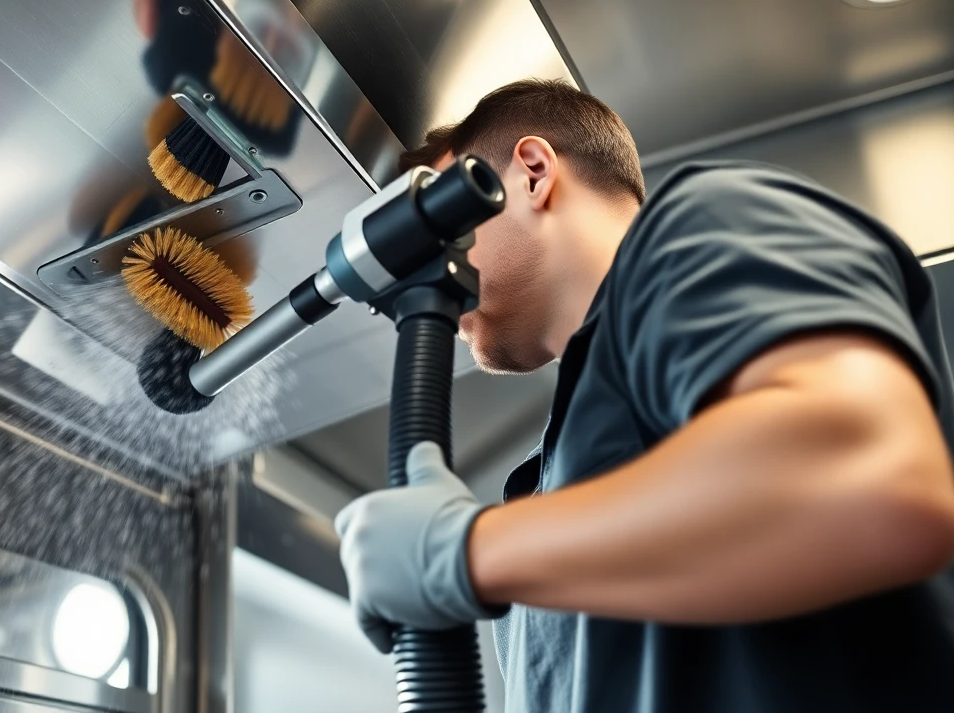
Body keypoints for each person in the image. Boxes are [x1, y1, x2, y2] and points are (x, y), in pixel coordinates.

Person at [334, 79, 954, 711]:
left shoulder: (707, 220)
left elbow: (870, 485)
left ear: (531, 172)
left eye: (435, 214)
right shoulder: (545, 491)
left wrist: (464, 552)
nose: (425, 260)